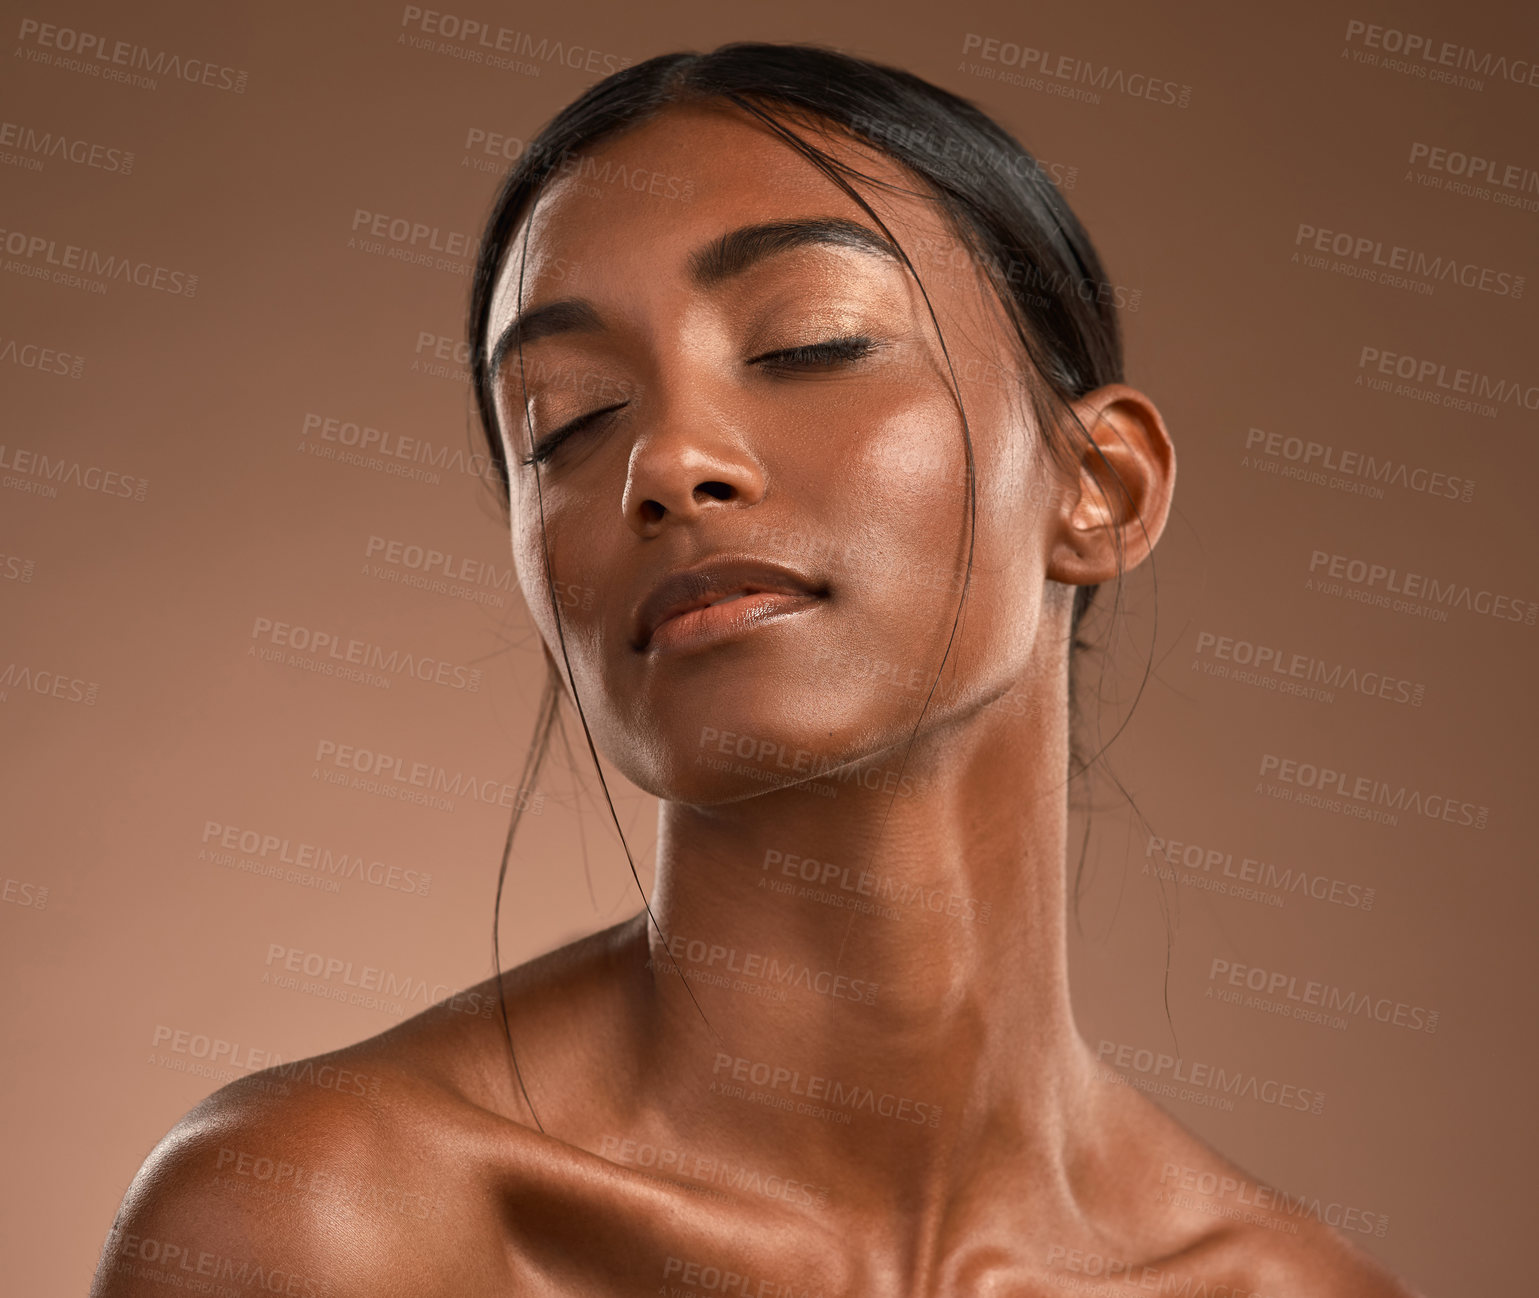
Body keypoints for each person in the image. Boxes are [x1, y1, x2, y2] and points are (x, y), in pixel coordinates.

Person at [92, 43, 1416, 1297]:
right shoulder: (328, 1222)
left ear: (1098, 487)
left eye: (807, 341)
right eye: (567, 420)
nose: (665, 462)